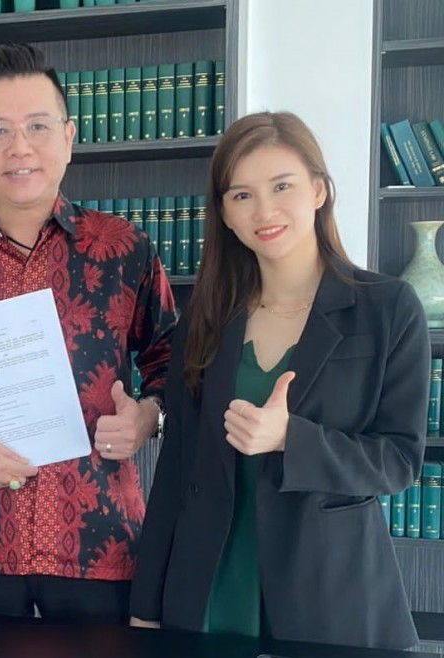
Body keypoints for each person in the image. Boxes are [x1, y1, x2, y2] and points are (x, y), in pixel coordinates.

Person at [0, 43, 176, 621]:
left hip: (100, 544)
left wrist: (150, 416)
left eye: (37, 127)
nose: (19, 148)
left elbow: (174, 359)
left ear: (69, 137)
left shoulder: (124, 251)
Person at [128, 112, 429, 650]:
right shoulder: (205, 317)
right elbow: (175, 470)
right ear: (223, 211)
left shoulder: (386, 308)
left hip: (328, 592)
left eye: (281, 186)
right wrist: (146, 605)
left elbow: (399, 460)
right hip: (210, 588)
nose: (263, 211)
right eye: (241, 195)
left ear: (318, 190)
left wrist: (293, 438)